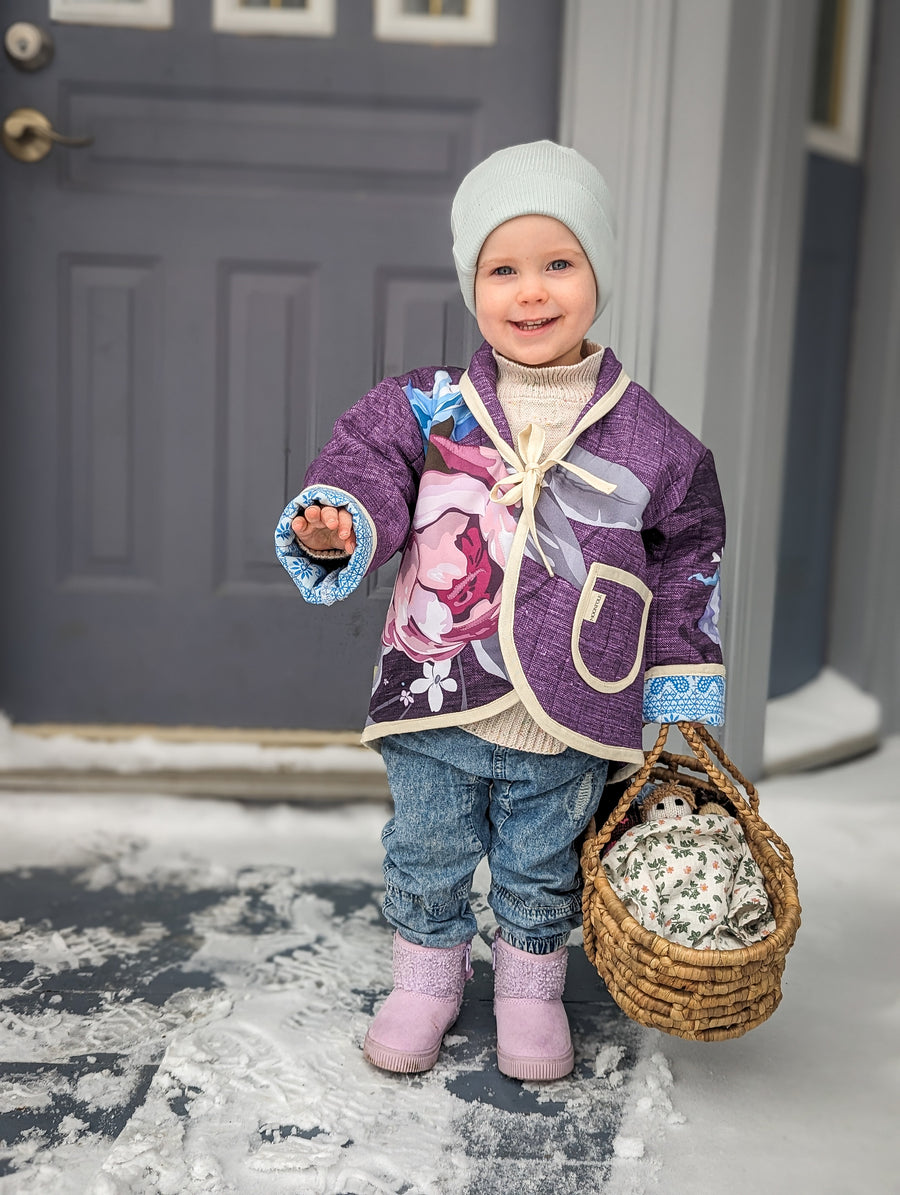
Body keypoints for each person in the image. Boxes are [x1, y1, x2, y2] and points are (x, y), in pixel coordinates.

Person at [275, 141, 726, 1081]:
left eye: (558, 264)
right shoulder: (427, 406)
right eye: (503, 268)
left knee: (540, 862)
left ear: (598, 272)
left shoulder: (655, 438)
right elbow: (364, 463)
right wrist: (341, 522)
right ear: (472, 281)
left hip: (572, 702)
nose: (530, 292)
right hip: (442, 689)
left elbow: (688, 551)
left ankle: (530, 992)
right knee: (428, 848)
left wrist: (678, 679)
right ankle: (428, 982)